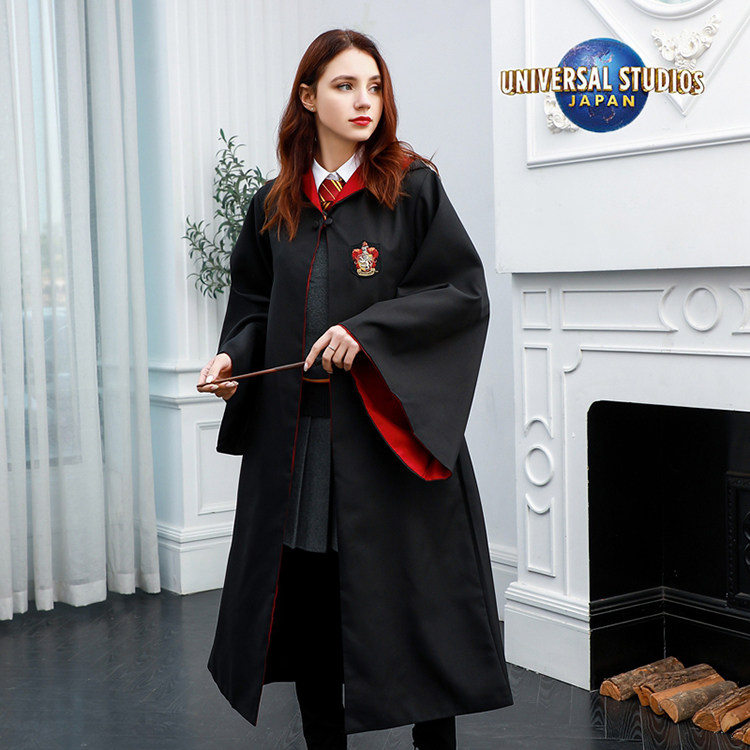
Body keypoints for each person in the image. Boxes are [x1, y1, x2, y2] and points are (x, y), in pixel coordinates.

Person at [197, 28, 512, 750]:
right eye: (345, 86)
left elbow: (460, 294)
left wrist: (368, 333)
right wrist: (229, 357)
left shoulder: (412, 188)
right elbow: (253, 306)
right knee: (312, 612)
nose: (364, 100)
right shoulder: (273, 204)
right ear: (308, 98)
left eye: (373, 86)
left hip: (392, 440)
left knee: (420, 608)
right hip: (301, 447)